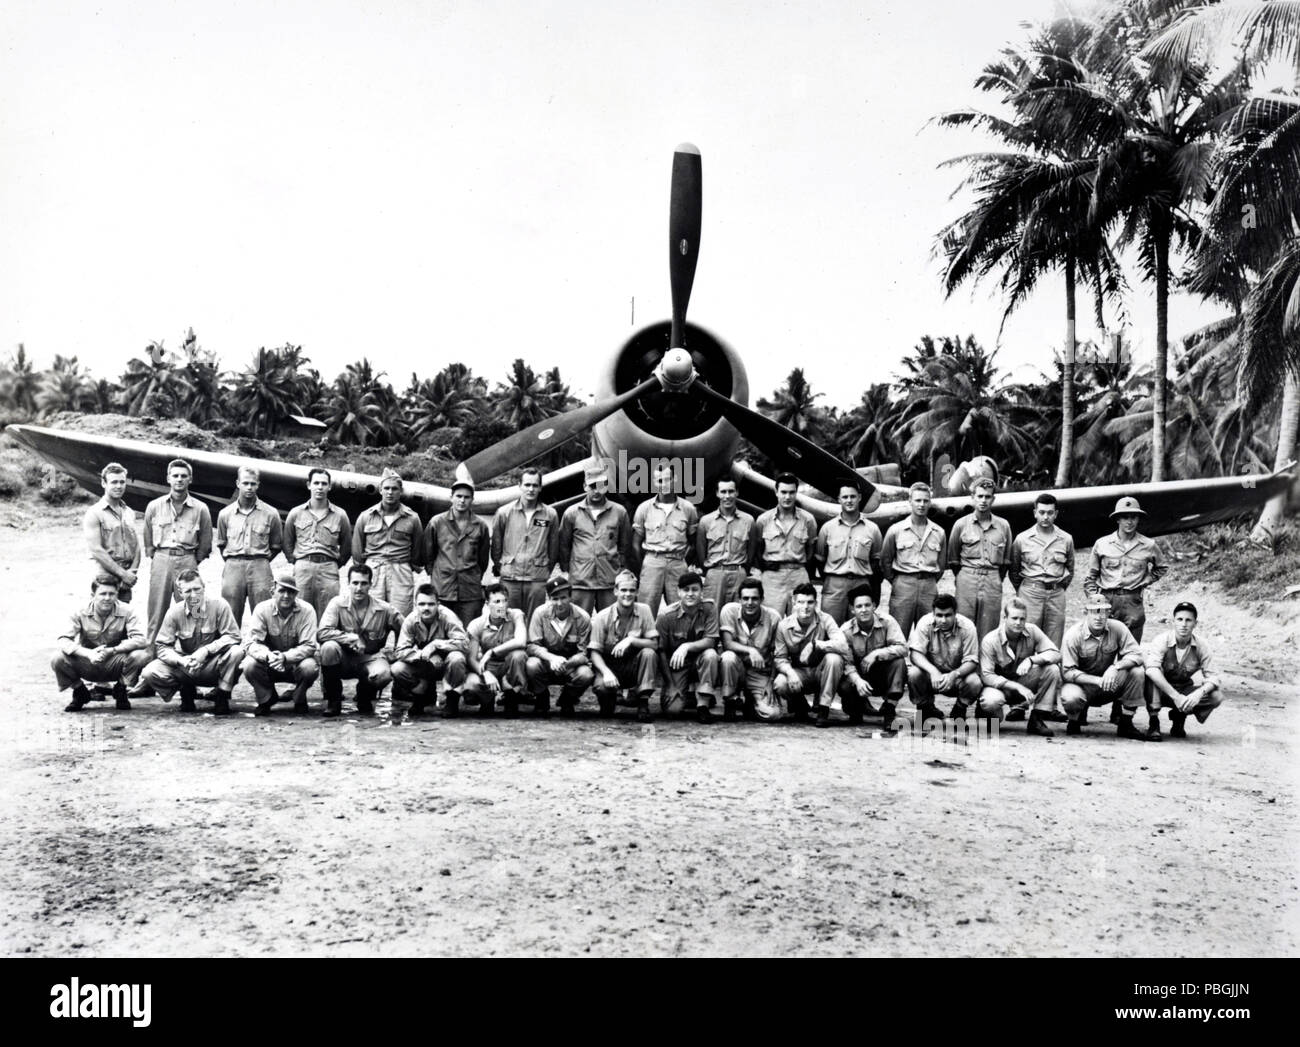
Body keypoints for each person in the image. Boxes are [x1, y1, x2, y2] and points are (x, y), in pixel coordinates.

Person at [136, 569, 242, 714]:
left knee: (237, 652)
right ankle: (186, 692)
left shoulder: (220, 606)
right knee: (150, 672)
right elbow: (162, 646)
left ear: (204, 587)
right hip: (187, 665)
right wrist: (181, 661)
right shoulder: (174, 612)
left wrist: (206, 650)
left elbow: (233, 636)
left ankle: (222, 696)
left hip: (213, 664)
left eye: (197, 589)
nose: (193, 595)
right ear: (180, 593)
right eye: (187, 591)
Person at [316, 563, 404, 717]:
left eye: (364, 583)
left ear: (371, 584)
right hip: (344, 658)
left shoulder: (384, 609)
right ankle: (334, 700)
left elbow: (405, 629)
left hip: (370, 658)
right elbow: (322, 633)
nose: (359, 588)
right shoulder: (337, 604)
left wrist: (397, 652)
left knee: (384, 674)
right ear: (348, 584)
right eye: (355, 583)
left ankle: (364, 696)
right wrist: (349, 638)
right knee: (328, 648)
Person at [142, 458, 214, 645]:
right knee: (157, 610)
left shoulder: (201, 509)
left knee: (195, 607)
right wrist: (158, 557)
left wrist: (191, 560)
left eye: (184, 476)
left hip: (188, 560)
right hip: (162, 561)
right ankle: (152, 653)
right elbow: (148, 540)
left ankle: (198, 651)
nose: (179, 479)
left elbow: (205, 542)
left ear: (190, 479)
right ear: (168, 478)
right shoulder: (154, 506)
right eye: (175, 475)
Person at [1060, 596, 1150, 741]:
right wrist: (1096, 680)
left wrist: (1116, 667)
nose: (1099, 617)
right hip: (1083, 686)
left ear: (1109, 613)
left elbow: (1137, 655)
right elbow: (1067, 672)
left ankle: (1126, 722)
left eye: (1103, 612)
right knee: (1071, 697)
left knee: (1137, 672)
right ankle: (1074, 719)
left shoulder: (1118, 628)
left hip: (1108, 684)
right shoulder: (1073, 635)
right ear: (1086, 613)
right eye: (1094, 612)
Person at [54, 575, 150, 712]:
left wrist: (113, 650)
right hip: (88, 662)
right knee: (57, 658)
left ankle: (121, 689)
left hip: (114, 661)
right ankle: (79, 692)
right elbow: (63, 640)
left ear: (117, 594)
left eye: (111, 594)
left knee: (141, 656)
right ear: (93, 595)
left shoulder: (128, 611)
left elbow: (141, 640)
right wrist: (88, 653)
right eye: (102, 594)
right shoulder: (79, 611)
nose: (107, 598)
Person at [976, 596, 1063, 737]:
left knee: (1052, 670)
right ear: (1005, 618)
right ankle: (989, 714)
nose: (1019, 623)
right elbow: (986, 676)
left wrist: (1032, 660)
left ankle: (1037, 719)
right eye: (1014, 618)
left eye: (1022, 619)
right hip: (1000, 688)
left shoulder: (1032, 631)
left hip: (1023, 682)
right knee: (991, 702)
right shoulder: (990, 640)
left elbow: (1055, 654)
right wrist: (1017, 687)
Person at [1084, 496, 1167, 642]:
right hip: (1107, 600)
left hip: (1133, 601)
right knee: (1103, 647)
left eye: (1133, 517)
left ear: (1138, 519)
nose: (1129, 522)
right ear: (1117, 519)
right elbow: (1091, 576)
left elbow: (1162, 567)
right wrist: (1094, 599)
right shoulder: (1102, 544)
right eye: (1124, 517)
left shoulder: (1148, 545)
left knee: (1131, 648)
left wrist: (1146, 580)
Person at [241, 569, 319, 716]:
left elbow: (309, 646)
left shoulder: (307, 610)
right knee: (249, 664)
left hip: (295, 664)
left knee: (310, 667)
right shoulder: (261, 609)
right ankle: (266, 698)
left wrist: (285, 657)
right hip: (269, 663)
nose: (286, 596)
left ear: (296, 594)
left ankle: (299, 698)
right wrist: (268, 656)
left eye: (291, 592)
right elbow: (251, 643)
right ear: (272, 591)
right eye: (282, 591)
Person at [558, 462, 633, 615]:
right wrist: (567, 570)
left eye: (601, 485)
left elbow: (625, 545)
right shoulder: (572, 513)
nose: (596, 491)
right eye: (592, 486)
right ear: (585, 486)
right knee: (578, 622)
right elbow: (564, 545)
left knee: (611, 622)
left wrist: (620, 569)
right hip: (581, 581)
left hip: (609, 580)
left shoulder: (619, 512)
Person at [1143, 601, 1224, 740]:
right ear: (1173, 621)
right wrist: (1176, 697)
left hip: (1183, 688)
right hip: (1161, 690)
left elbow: (1213, 677)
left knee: (1216, 696)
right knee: (1152, 677)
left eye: (1188, 620)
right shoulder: (1162, 640)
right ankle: (1154, 722)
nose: (1184, 624)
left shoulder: (1201, 645)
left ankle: (1179, 717)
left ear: (1195, 624)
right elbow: (1151, 670)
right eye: (1180, 619)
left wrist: (1198, 694)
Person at [773, 582, 849, 728]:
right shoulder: (784, 625)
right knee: (780, 684)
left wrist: (816, 644)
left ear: (816, 603)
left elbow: (843, 645)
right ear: (794, 603)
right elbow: (780, 658)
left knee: (834, 659)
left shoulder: (825, 619)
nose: (806, 607)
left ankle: (823, 709)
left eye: (810, 602)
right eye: (801, 602)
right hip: (799, 673)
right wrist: (790, 673)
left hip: (821, 672)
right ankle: (799, 704)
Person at [490, 466, 560, 624]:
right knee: (508, 619)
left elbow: (554, 546)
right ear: (519, 486)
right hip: (510, 576)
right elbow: (496, 545)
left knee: (534, 620)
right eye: (527, 485)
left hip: (537, 578)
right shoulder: (504, 512)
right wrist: (501, 566)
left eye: (535, 485)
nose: (531, 489)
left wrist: (546, 570)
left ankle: (532, 647)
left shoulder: (550, 514)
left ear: (540, 487)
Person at [588, 569, 659, 722]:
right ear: (615, 591)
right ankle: (610, 699)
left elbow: (654, 644)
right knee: (605, 704)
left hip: (633, 667)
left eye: (632, 590)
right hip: (610, 667)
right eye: (623, 590)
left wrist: (631, 640)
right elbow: (594, 652)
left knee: (648, 653)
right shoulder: (602, 617)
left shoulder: (644, 611)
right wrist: (606, 672)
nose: (628, 594)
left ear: (637, 592)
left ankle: (643, 702)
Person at [946, 477, 1012, 640]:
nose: (983, 500)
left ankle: (985, 665)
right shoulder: (961, 525)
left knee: (989, 629)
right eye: (980, 496)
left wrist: (995, 577)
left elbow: (1006, 561)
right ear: (972, 497)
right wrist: (965, 576)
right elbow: (953, 559)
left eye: (987, 497)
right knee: (963, 626)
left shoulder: (1003, 526)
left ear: (993, 499)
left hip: (992, 580)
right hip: (967, 578)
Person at [216, 466, 283, 626]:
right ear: (238, 483)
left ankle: (262, 648)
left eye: (253, 484)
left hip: (260, 566)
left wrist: (260, 560)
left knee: (265, 612)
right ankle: (231, 648)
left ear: (258, 485)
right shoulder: (225, 514)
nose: (249, 487)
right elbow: (221, 544)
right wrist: (235, 561)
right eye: (245, 483)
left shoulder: (271, 513)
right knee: (230, 613)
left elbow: (276, 545)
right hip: (233, 565)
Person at [283, 468, 353, 619]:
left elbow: (347, 546)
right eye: (316, 483)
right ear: (309, 485)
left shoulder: (340, 515)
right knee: (299, 611)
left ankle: (325, 643)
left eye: (324, 483)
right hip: (303, 568)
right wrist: (297, 561)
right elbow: (287, 542)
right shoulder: (296, 513)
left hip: (328, 569)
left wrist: (334, 563)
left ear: (330, 486)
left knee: (328, 613)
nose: (320, 487)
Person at [352, 468, 423, 617]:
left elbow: (417, 551)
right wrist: (365, 570)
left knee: (402, 615)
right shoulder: (366, 516)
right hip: (374, 569)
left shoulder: (412, 518)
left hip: (400, 570)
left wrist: (406, 565)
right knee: (372, 615)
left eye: (394, 489)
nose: (390, 492)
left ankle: (402, 641)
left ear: (401, 491)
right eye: (387, 488)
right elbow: (357, 552)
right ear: (380, 490)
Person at [390, 584, 469, 717]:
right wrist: (424, 655)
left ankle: (452, 700)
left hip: (446, 664)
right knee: (397, 668)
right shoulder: (410, 620)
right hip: (425, 665)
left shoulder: (448, 617)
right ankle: (420, 695)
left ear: (438, 604)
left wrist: (436, 645)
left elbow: (464, 644)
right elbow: (400, 650)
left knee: (457, 658)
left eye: (431, 604)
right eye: (422, 604)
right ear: (415, 605)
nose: (426, 608)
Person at [880, 482, 947, 638]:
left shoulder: (939, 532)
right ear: (910, 501)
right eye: (917, 500)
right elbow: (885, 560)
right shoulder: (896, 530)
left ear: (930, 502)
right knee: (897, 634)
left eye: (925, 500)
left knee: (930, 634)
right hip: (903, 585)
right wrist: (897, 580)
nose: (921, 504)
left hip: (929, 586)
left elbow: (941, 565)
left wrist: (928, 580)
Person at [1008, 492, 1074, 647]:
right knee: (1026, 636)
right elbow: (1014, 570)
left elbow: (1070, 569)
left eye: (1050, 513)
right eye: (1042, 512)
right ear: (1035, 513)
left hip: (1056, 594)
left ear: (1056, 514)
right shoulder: (1022, 539)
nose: (1046, 517)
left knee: (1053, 638)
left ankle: (1051, 670)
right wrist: (1027, 588)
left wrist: (1057, 587)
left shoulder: (1066, 539)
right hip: (1030, 592)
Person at [632, 462, 699, 614]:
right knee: (645, 610)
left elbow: (693, 542)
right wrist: (645, 564)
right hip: (652, 562)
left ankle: (681, 638)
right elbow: (636, 543)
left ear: (675, 479)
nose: (664, 484)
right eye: (660, 481)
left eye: (668, 479)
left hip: (677, 562)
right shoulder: (644, 508)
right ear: (654, 483)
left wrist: (682, 562)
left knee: (681, 610)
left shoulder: (688, 508)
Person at [835, 586, 907, 726]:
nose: (864, 610)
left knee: (899, 662)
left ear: (874, 606)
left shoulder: (888, 622)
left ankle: (889, 709)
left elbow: (903, 648)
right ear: (852, 609)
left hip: (881, 676)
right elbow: (846, 663)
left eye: (867, 605)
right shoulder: (845, 631)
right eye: (859, 606)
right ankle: (855, 710)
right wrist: (857, 681)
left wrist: (877, 653)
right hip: (859, 678)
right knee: (844, 685)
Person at [525, 573, 594, 718]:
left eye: (563, 598)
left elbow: (584, 653)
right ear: (549, 599)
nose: (559, 603)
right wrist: (552, 659)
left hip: (571, 664)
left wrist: (567, 663)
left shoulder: (582, 618)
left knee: (586, 674)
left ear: (570, 597)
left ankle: (567, 700)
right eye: (554, 599)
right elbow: (532, 645)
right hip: (547, 663)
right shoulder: (540, 614)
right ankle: (542, 697)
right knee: (531, 665)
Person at [655, 571, 721, 722]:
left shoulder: (709, 608)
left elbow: (710, 640)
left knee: (711, 654)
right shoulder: (666, 616)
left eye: (695, 589)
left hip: (701, 661)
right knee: (673, 711)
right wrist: (670, 685)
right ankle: (688, 695)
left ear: (701, 591)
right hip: (678, 666)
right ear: (678, 592)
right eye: (686, 590)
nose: (690, 594)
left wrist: (686, 646)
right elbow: (661, 651)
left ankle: (702, 705)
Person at [906, 593, 981, 726]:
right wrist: (933, 671)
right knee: (914, 673)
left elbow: (972, 660)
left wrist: (954, 674)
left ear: (955, 613)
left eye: (948, 615)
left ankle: (959, 710)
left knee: (974, 681)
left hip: (956, 677)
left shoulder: (968, 627)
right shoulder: (925, 623)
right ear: (933, 613)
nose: (943, 620)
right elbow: (915, 654)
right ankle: (925, 708)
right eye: (939, 615)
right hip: (931, 677)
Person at [814, 482, 883, 623]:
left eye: (853, 496)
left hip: (861, 583)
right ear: (839, 499)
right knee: (831, 628)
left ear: (859, 498)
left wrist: (873, 592)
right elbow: (820, 560)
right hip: (834, 586)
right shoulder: (827, 528)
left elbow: (876, 563)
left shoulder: (872, 529)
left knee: (859, 628)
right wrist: (832, 577)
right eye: (845, 497)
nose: (849, 500)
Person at [424, 478, 490, 626]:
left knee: (470, 630)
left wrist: (472, 574)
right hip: (443, 589)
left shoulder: (481, 526)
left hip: (470, 590)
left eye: (466, 497)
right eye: (458, 496)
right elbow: (428, 555)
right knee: (440, 630)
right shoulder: (437, 522)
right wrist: (439, 574)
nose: (462, 500)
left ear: (472, 499)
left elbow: (483, 559)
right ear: (451, 498)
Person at [752, 473, 818, 616]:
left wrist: (800, 566)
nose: (787, 497)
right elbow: (758, 549)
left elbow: (811, 549)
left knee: (801, 618)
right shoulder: (763, 520)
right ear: (776, 492)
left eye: (791, 492)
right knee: (771, 618)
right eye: (783, 492)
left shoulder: (808, 520)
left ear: (796, 493)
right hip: (772, 578)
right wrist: (767, 567)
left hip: (798, 574)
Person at [463, 583, 530, 717]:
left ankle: (512, 697)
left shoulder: (516, 615)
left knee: (519, 655)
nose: (502, 605)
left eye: (505, 601)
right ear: (487, 604)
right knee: (471, 684)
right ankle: (487, 699)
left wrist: (491, 651)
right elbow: (471, 658)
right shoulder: (477, 624)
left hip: (509, 664)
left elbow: (521, 641)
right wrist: (486, 673)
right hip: (489, 666)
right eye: (497, 602)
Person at [83, 463, 141, 602]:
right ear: (104, 483)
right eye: (114, 482)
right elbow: (96, 550)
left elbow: (137, 546)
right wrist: (122, 574)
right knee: (101, 618)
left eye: (122, 482)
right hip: (105, 576)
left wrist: (132, 572)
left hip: (126, 577)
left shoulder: (129, 512)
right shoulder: (94, 513)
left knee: (122, 618)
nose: (119, 486)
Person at [695, 478, 754, 612]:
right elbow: (700, 549)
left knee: (739, 614)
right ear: (717, 493)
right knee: (712, 614)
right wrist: (709, 569)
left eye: (731, 491)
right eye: (723, 492)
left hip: (739, 573)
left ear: (737, 493)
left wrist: (744, 568)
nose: (727, 496)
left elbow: (751, 549)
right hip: (715, 573)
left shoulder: (748, 520)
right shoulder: (706, 521)